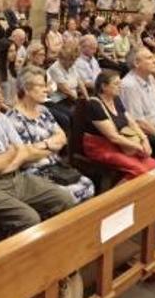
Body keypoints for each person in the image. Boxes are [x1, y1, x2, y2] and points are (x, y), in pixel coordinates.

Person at [0, 75, 75, 234]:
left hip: (16, 178)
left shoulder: (2, 119)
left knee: (64, 199)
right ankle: (28, 257)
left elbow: (22, 152)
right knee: (30, 220)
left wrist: (3, 163)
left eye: (0, 94)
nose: (0, 100)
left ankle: (59, 248)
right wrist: (11, 152)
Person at [7, 68, 94, 201]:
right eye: (41, 86)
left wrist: (42, 145)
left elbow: (62, 138)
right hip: (33, 174)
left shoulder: (43, 110)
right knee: (70, 195)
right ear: (26, 89)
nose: (46, 90)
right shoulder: (14, 119)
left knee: (88, 185)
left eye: (46, 85)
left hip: (56, 167)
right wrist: (51, 145)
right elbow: (26, 156)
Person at [83, 69, 155, 179]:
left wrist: (144, 139)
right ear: (104, 86)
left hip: (123, 142)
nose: (120, 86)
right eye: (116, 84)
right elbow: (113, 137)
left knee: (153, 165)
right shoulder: (94, 104)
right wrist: (138, 146)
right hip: (101, 147)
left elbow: (131, 122)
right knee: (140, 171)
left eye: (120, 83)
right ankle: (116, 196)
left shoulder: (116, 99)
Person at [0, 39, 19, 107]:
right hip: (3, 109)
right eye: (10, 51)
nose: (14, 53)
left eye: (15, 50)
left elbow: (15, 93)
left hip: (14, 107)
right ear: (3, 52)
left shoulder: (12, 70)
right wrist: (8, 110)